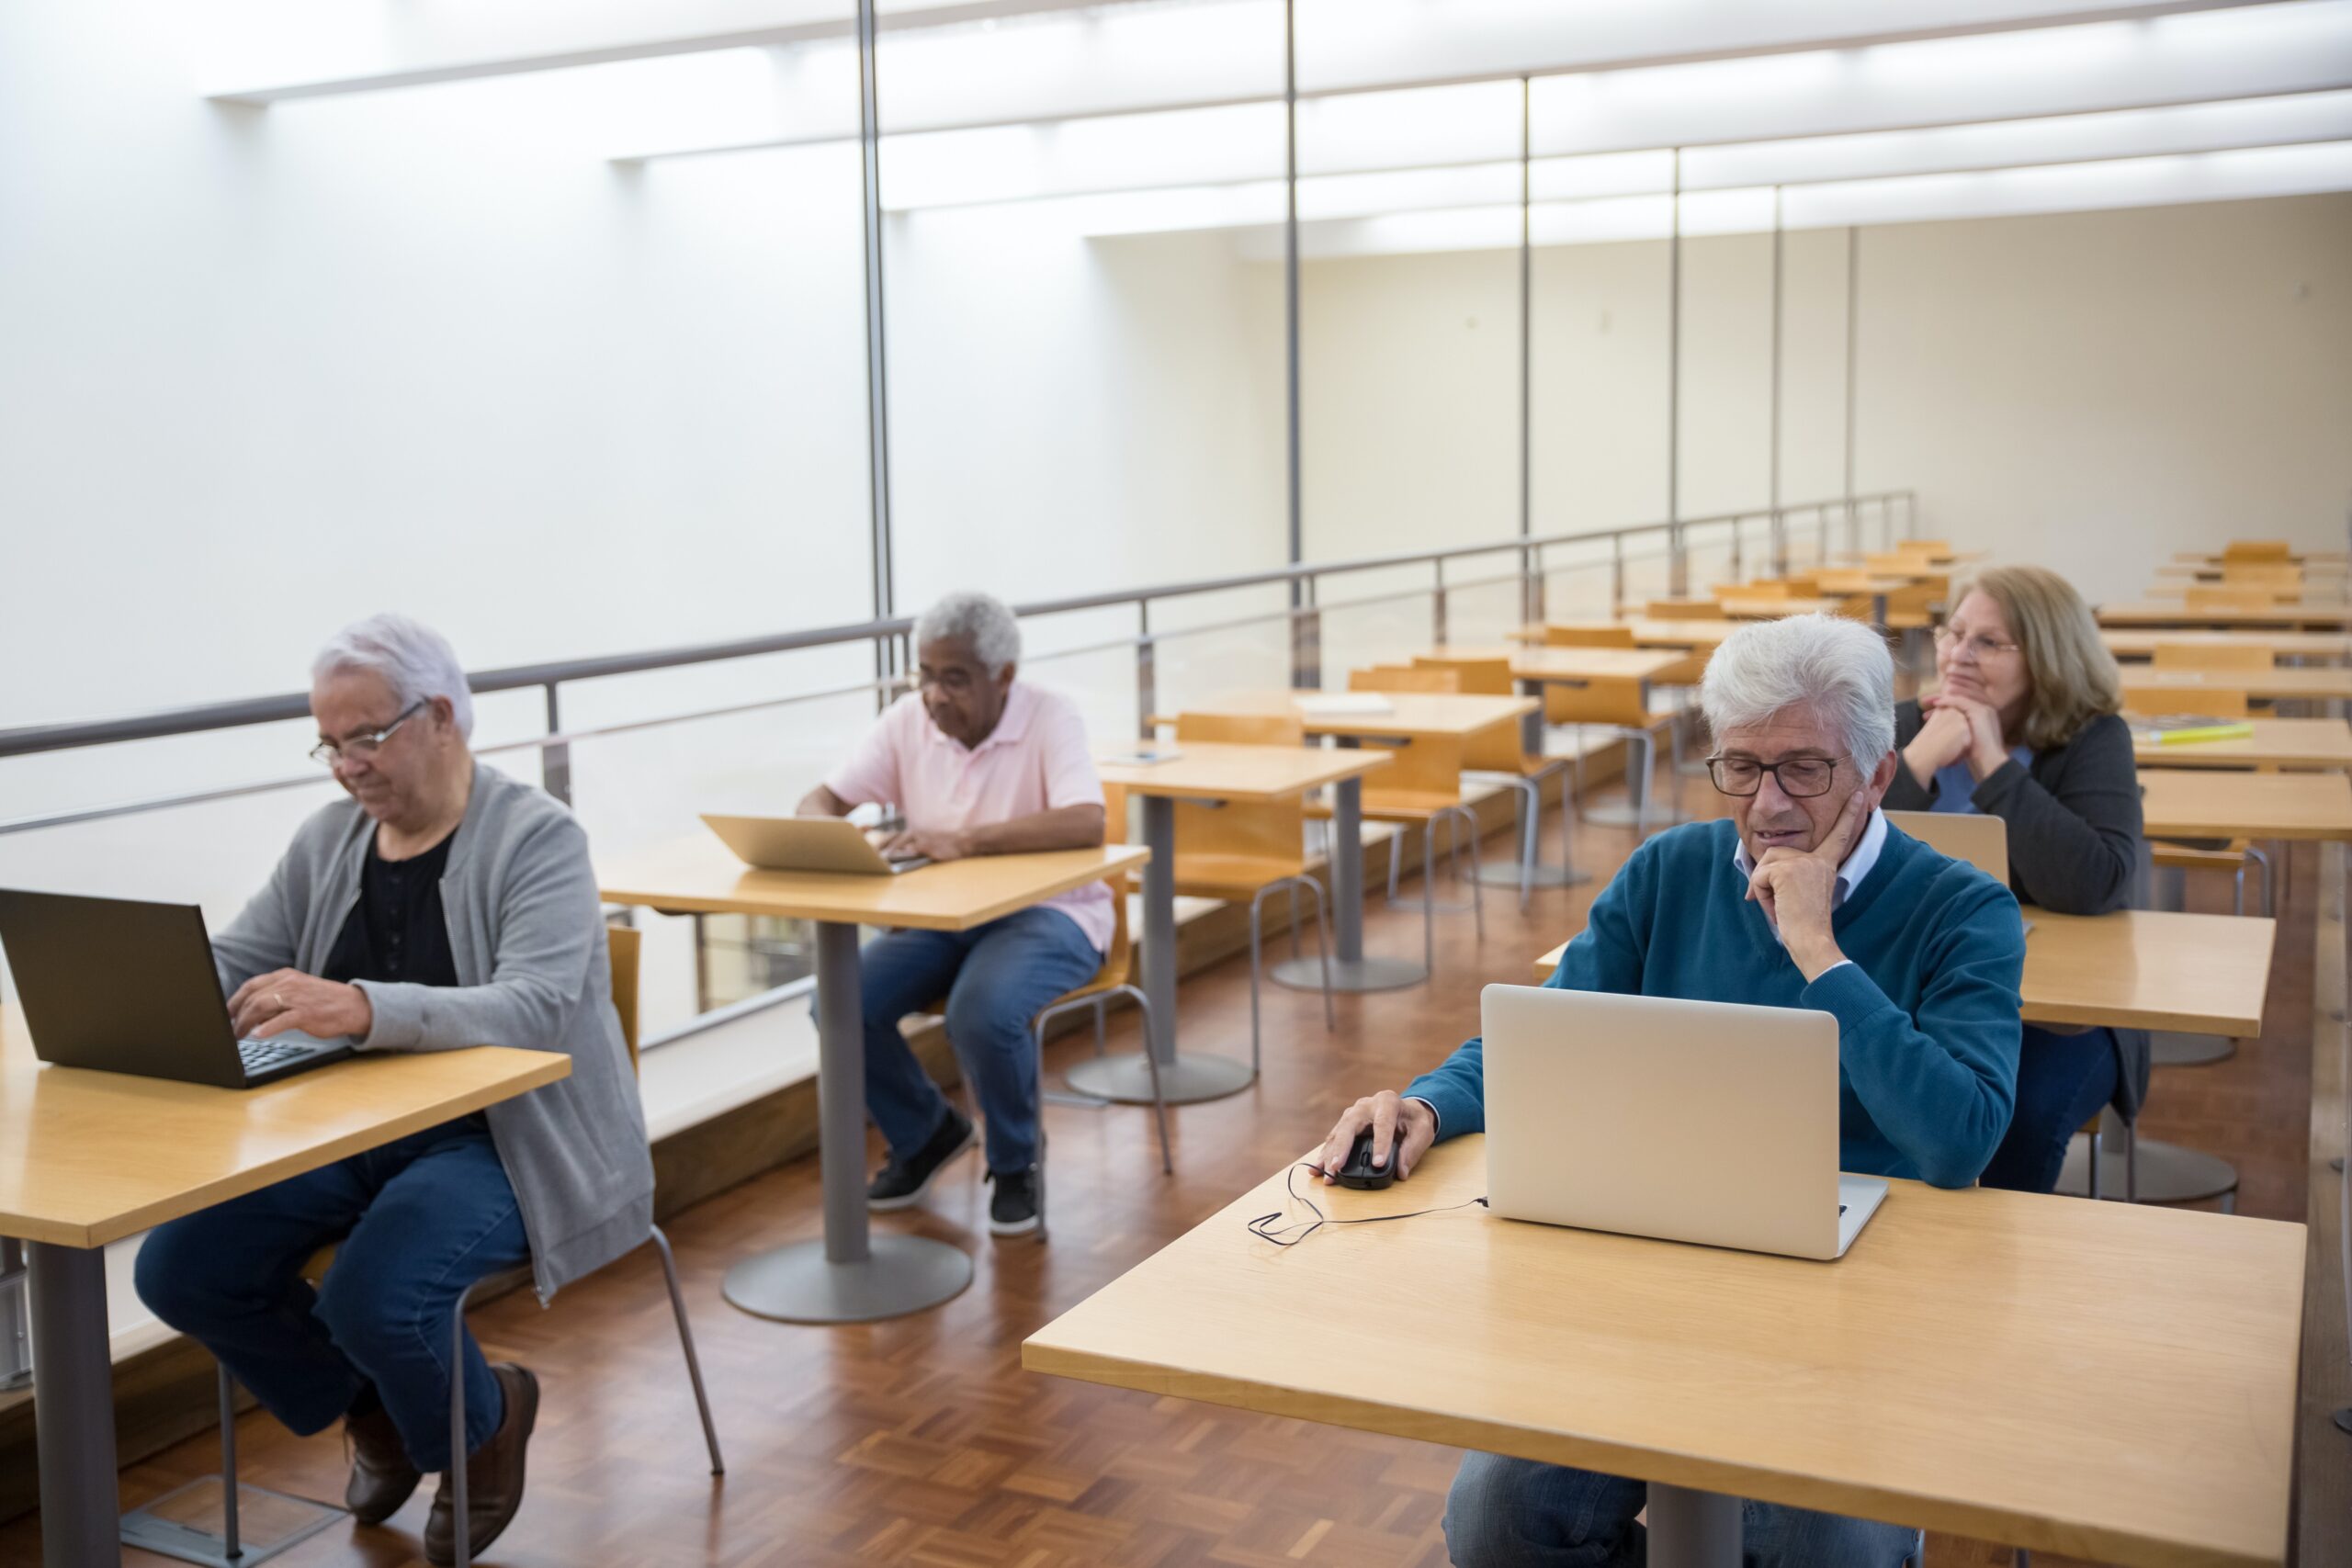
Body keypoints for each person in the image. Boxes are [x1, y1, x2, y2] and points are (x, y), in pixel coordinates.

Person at [1314, 613, 2023, 1568]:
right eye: (1740, 766)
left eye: (1803, 769)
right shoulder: (1668, 872)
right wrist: (1429, 1103)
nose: (1766, 802)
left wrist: (1819, 952)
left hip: (1858, 1311)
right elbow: (1551, 1036)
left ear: (1877, 774)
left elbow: (1960, 1138)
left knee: (1827, 1549)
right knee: (1496, 1518)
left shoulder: (1964, 908)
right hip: (1656, 1274)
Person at [134, 615, 653, 1567]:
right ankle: (371, 1410)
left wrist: (361, 1008)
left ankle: (482, 1425)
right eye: (329, 743)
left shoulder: (538, 836)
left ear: (442, 717)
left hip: (510, 1140)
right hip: (354, 1134)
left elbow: (537, 1006)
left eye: (366, 736)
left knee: (374, 1299)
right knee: (179, 1268)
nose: (346, 766)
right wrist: (143, 986)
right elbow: (243, 959)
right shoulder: (332, 838)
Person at [797, 590, 1108, 1238]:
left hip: (1052, 914)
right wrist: (831, 834)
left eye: (955, 679)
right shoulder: (908, 720)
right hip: (945, 921)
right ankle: (928, 1132)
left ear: (1004, 677)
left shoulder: (1052, 716)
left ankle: (1016, 1160)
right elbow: (822, 799)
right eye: (926, 675)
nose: (935, 695)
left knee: (981, 1011)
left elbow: (1087, 820)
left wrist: (966, 841)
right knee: (838, 1001)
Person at [1883, 563, 2144, 1193]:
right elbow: (1839, 850)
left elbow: (2094, 882)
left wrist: (1992, 763)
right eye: (1953, 633)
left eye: (1988, 643)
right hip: (1918, 988)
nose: (1958, 655)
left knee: (2014, 1120)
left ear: (2048, 658)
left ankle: (1997, 1278)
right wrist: (1917, 762)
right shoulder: (1903, 727)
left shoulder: (2092, 737)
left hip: (2058, 1015)